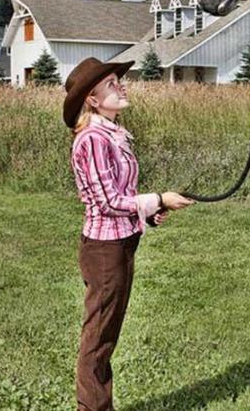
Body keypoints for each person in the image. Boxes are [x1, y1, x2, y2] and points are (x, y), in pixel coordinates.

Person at [63, 57, 194, 410]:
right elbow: (107, 202)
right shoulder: (91, 139)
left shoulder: (111, 133)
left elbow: (120, 196)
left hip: (120, 243)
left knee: (106, 334)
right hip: (104, 250)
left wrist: (150, 214)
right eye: (111, 84)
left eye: (118, 82)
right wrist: (156, 199)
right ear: (92, 99)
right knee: (98, 338)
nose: (121, 86)